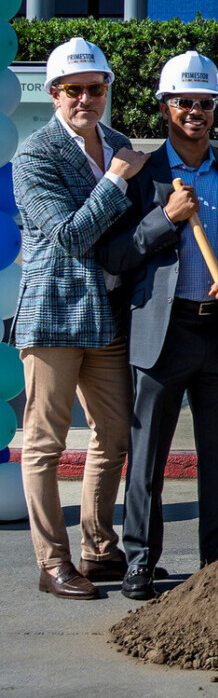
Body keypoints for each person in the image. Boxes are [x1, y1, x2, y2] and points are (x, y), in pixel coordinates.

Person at [102, 51, 218, 600]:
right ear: (165, 108)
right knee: (147, 455)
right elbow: (115, 254)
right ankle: (140, 560)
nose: (195, 112)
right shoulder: (141, 176)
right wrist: (163, 219)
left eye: (205, 103)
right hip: (164, 331)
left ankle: (214, 558)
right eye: (184, 102)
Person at [10, 39, 149, 599]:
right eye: (74, 90)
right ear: (54, 94)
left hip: (109, 316)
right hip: (52, 317)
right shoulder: (35, 156)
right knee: (45, 443)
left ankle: (98, 548)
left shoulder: (118, 143)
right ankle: (53, 562)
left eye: (96, 88)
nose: (86, 98)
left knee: (114, 434)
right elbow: (69, 236)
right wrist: (115, 180)